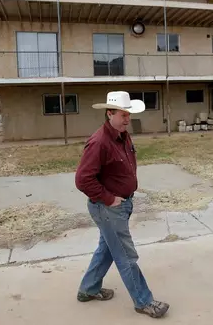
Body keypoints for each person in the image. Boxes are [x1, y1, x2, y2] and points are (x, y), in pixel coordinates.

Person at [75, 91, 170, 319]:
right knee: (126, 256)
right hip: (108, 208)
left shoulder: (123, 135)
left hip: (122, 205)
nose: (127, 118)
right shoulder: (99, 142)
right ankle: (144, 301)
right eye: (122, 114)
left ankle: (88, 289)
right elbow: (82, 179)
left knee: (107, 249)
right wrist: (109, 198)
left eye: (129, 114)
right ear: (110, 114)